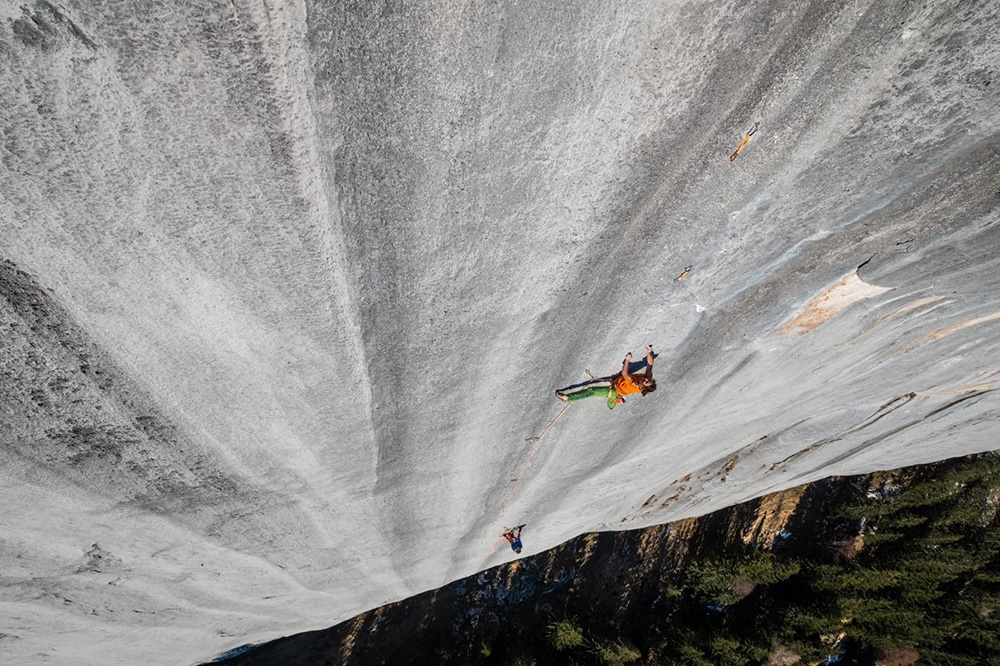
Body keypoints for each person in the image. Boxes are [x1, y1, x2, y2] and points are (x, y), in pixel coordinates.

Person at [555, 345, 656, 409]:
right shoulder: (647, 377)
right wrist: (649, 353)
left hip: (615, 391)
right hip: (617, 383)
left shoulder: (636, 385)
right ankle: (615, 401)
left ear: (644, 387)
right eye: (649, 379)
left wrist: (627, 360)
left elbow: (625, 374)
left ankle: (568, 398)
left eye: (647, 382)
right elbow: (650, 365)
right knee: (610, 399)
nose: (646, 379)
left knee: (592, 391)